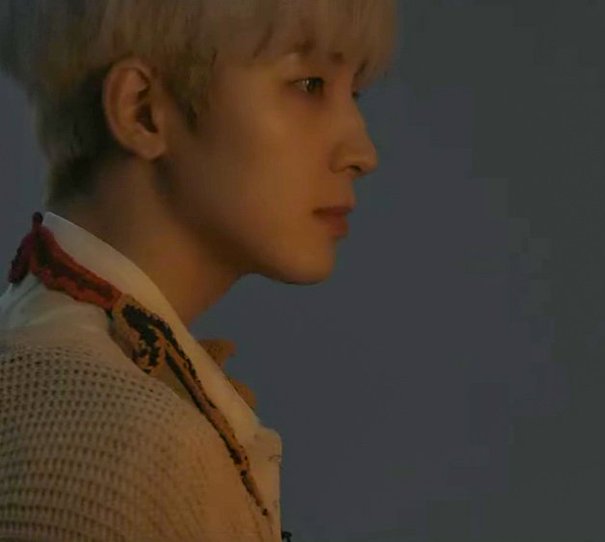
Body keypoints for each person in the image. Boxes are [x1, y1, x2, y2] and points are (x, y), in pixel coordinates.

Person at [0, 1, 396, 539]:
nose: (363, 153)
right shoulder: (126, 453)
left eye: (355, 93)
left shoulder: (53, 369)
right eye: (308, 85)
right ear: (142, 110)